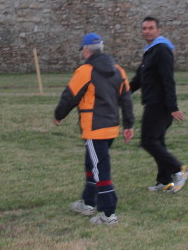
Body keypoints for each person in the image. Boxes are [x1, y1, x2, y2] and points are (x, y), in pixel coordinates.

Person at [54, 32, 134, 225]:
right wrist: (128, 124)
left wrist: (59, 114)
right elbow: (126, 99)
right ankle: (89, 202)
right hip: (111, 128)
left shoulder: (85, 71)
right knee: (92, 163)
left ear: (86, 51)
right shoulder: (118, 70)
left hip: (94, 129)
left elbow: (70, 96)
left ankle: (109, 214)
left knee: (100, 169)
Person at [129, 16, 188, 193]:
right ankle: (164, 181)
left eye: (151, 28)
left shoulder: (162, 50)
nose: (147, 31)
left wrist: (172, 107)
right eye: (144, 28)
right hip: (152, 103)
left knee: (148, 141)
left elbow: (168, 79)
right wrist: (121, 93)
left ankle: (179, 169)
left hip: (159, 106)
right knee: (158, 142)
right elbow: (139, 79)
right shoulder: (150, 51)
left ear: (158, 30)